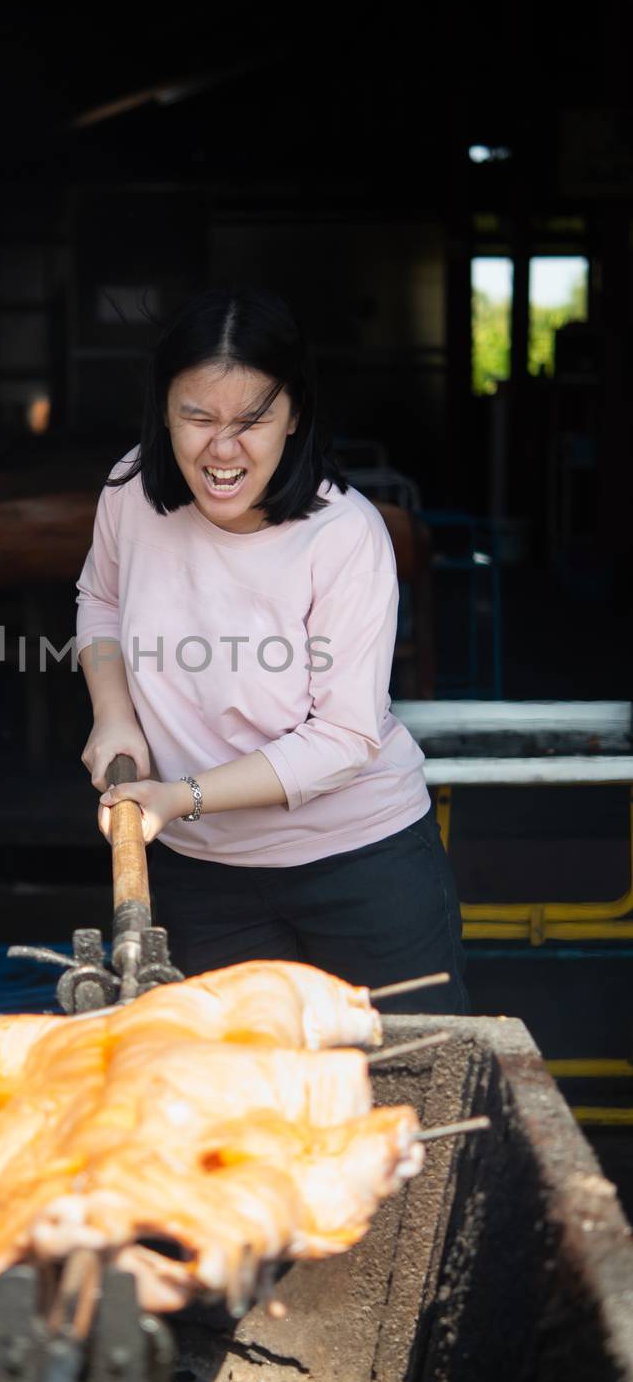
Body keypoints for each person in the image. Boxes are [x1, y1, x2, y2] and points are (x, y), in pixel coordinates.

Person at [74, 287, 468, 1014]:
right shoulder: (131, 492)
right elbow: (99, 599)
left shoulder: (343, 535)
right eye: (197, 417)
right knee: (240, 1107)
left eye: (251, 419)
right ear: (164, 411)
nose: (222, 450)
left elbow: (345, 736)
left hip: (361, 865)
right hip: (203, 873)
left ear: (295, 417)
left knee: (409, 1089)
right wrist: (113, 716)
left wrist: (180, 797)